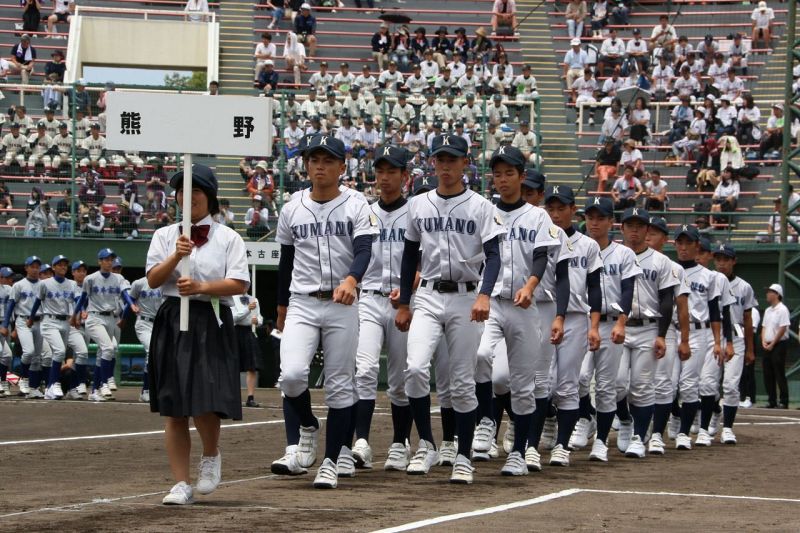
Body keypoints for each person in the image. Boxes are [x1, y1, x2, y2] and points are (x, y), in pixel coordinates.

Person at [394, 134, 503, 484]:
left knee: (461, 383)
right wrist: (404, 303)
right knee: (413, 368)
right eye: (440, 158)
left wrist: (485, 294)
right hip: (427, 293)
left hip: (465, 295)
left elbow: (495, 255)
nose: (445, 165)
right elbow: (410, 254)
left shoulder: (481, 206)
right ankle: (426, 443)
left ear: (465, 163)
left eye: (452, 159)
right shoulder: (419, 204)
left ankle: (463, 456)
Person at [272, 135, 375, 489]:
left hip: (341, 303)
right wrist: (281, 307)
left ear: (342, 167)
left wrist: (352, 279)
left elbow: (364, 249)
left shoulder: (357, 204)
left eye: (328, 160)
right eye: (314, 159)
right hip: (302, 301)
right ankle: (308, 426)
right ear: (305, 165)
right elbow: (286, 262)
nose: (319, 165)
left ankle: (331, 461)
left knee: (340, 386)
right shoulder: (292, 208)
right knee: (291, 376)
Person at [145, 164, 249, 505]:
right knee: (175, 405)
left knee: (205, 398)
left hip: (210, 317)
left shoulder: (228, 237)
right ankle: (180, 482)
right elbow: (153, 279)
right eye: (181, 192)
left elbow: (238, 283)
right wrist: (177, 253)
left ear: (210, 197)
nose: (188, 198)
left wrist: (203, 286)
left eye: (197, 191)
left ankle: (210, 455)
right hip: (173, 318)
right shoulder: (163, 235)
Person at [473, 146, 559, 475]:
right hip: (492, 302)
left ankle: (519, 453)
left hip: (525, 307)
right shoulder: (484, 212)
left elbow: (541, 256)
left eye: (510, 173)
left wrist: (531, 285)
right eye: (498, 173)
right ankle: (485, 420)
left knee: (522, 385)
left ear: (522, 177)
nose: (503, 179)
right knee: (481, 358)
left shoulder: (538, 216)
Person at [346, 144, 413, 471]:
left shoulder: (415, 212)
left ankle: (401, 443)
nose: (384, 178)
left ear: (405, 176)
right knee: (366, 368)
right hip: (370, 298)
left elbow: (425, 260)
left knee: (401, 378)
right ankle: (361, 442)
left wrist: (411, 291)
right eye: (380, 171)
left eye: (392, 171)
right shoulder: (364, 213)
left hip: (403, 303)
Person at [572, 198, 639, 460]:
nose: (595, 222)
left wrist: (622, 322)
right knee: (577, 379)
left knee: (606, 386)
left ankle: (601, 440)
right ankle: (585, 416)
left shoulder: (623, 254)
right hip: (582, 322)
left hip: (611, 323)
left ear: (611, 222)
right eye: (590, 217)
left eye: (600, 217)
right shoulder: (576, 249)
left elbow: (627, 291)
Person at [541, 185, 602, 465]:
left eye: (561, 208)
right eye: (550, 208)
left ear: (572, 210)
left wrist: (594, 325)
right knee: (541, 383)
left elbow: (594, 288)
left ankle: (561, 446)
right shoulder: (539, 237)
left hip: (576, 317)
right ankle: (546, 425)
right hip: (542, 313)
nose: (555, 214)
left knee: (567, 384)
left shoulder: (588, 245)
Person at [672, 225, 723, 450]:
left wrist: (718, 341)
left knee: (689, 383)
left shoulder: (708, 276)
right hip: (671, 330)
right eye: (680, 243)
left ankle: (687, 432)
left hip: (698, 331)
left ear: (696, 246)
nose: (683, 247)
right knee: (668, 384)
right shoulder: (669, 268)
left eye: (688, 243)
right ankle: (675, 418)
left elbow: (714, 310)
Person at [72, 248, 132, 401]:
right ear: (99, 261)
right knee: (108, 348)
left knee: (102, 355)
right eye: (106, 259)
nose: (109, 262)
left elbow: (125, 294)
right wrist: (75, 315)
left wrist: (131, 304)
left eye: (111, 259)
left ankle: (94, 391)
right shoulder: (90, 278)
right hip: (94, 317)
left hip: (111, 317)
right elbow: (83, 299)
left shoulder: (118, 278)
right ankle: (104, 382)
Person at [711, 244, 755, 444]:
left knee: (730, 385)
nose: (721, 263)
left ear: (733, 261)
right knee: (709, 385)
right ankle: (714, 412)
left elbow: (747, 319)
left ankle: (727, 428)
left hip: (736, 336)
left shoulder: (744, 287)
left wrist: (750, 349)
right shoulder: (708, 280)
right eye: (718, 259)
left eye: (726, 259)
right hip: (711, 334)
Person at [1, 257, 44, 398]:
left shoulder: (43, 285)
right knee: (29, 352)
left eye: (37, 267)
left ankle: (34, 388)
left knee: (37, 358)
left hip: (39, 321)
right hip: (23, 320)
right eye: (32, 266)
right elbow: (11, 307)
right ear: (26, 268)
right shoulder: (18, 285)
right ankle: (24, 380)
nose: (35, 269)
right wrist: (6, 324)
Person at [126, 276, 164, 403]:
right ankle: (146, 391)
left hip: (160, 323)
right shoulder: (139, 283)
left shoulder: (165, 282)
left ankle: (153, 390)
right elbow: (130, 300)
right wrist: (123, 318)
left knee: (161, 355)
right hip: (144, 322)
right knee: (151, 352)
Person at [761, 283, 790, 409]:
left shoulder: (782, 309)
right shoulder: (768, 310)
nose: (767, 294)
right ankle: (771, 400)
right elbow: (764, 327)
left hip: (779, 344)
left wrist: (773, 343)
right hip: (767, 344)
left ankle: (784, 400)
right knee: (768, 373)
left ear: (777, 294)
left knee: (779, 372)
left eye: (770, 292)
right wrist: (763, 341)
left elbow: (783, 328)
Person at [232, 291, 262, 408]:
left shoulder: (254, 299)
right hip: (235, 332)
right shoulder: (231, 298)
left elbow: (259, 317)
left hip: (249, 332)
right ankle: (234, 396)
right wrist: (247, 309)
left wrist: (258, 321)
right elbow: (233, 317)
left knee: (252, 366)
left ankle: (250, 397)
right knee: (234, 365)